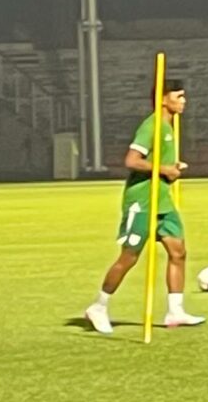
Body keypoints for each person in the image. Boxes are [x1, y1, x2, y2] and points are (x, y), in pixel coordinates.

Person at [84, 70, 200, 334]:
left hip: (163, 202)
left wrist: (173, 166)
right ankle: (99, 307)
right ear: (163, 99)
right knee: (129, 257)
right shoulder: (152, 126)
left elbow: (161, 163)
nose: (184, 101)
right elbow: (131, 161)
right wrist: (163, 170)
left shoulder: (170, 127)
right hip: (142, 201)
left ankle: (175, 310)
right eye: (178, 96)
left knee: (178, 252)